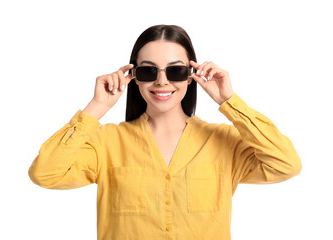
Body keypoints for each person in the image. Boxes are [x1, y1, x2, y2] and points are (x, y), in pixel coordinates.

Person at [28, 24, 302, 240]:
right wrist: (96, 108)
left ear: (191, 75)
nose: (161, 81)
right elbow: (45, 173)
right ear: (133, 77)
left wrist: (228, 101)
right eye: (148, 71)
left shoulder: (225, 142)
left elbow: (286, 165)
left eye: (176, 71)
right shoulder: (105, 142)